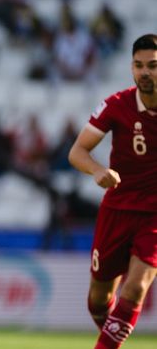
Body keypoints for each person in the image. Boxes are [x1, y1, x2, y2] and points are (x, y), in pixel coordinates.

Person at [68, 33, 157, 349]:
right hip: (118, 209)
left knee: (134, 289)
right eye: (139, 66)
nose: (145, 72)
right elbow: (77, 151)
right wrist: (97, 171)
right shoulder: (117, 104)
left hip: (154, 218)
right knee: (98, 300)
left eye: (153, 66)